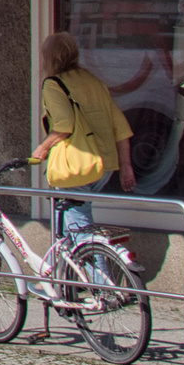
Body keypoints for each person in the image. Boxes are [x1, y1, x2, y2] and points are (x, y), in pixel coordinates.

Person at [31, 31, 135, 243]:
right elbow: (121, 126)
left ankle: (99, 276)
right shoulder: (93, 81)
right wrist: (126, 166)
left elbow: (64, 125)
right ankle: (56, 274)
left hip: (76, 166)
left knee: (81, 231)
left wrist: (43, 148)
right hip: (104, 166)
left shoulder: (53, 84)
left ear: (49, 58)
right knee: (67, 229)